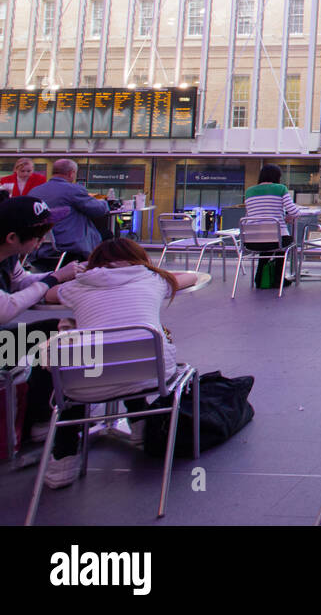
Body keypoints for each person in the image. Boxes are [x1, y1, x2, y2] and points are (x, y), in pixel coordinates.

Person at [39, 238, 199, 489]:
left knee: (86, 360)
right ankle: (141, 429)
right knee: (131, 356)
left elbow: (47, 295)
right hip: (150, 378)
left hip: (84, 387)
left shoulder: (78, 286)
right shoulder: (153, 279)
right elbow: (189, 278)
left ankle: (63, 464)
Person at [0, 198, 82, 447]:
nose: (42, 240)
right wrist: (53, 279)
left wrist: (63, 275)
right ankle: (39, 421)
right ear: (13, 237)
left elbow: (23, 282)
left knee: (58, 330)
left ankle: (38, 419)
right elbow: (6, 309)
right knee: (57, 335)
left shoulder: (9, 257)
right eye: (37, 235)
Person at [29, 159, 109, 261]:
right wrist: (103, 201)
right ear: (71, 173)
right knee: (106, 234)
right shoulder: (73, 189)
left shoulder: (34, 191)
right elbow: (99, 210)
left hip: (40, 245)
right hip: (68, 245)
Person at [242, 164, 303, 282]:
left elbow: (249, 216)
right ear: (277, 177)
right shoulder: (280, 189)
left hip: (252, 241)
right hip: (277, 240)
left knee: (265, 242)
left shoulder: (249, 191)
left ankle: (260, 278)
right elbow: (294, 212)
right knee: (284, 242)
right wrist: (287, 217)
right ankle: (278, 280)